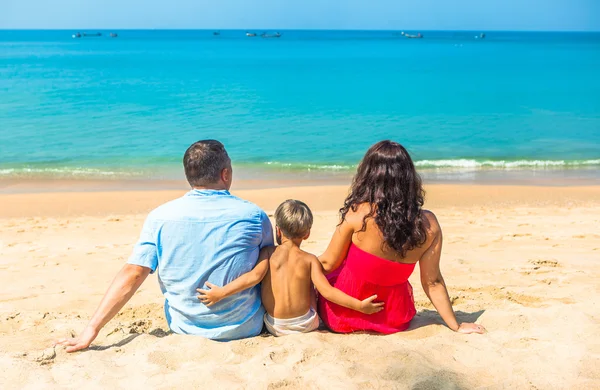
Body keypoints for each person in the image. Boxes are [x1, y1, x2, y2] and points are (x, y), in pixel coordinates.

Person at [56, 140, 274, 352]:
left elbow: (134, 273)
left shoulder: (160, 217)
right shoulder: (253, 215)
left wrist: (92, 329)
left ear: (189, 176)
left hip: (184, 330)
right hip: (243, 328)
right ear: (225, 174)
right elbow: (271, 267)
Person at [317, 140, 486, 335]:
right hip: (394, 319)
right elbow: (432, 282)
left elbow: (328, 263)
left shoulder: (359, 214)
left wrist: (298, 260)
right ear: (409, 177)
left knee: (329, 270)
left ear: (368, 174)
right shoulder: (429, 225)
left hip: (342, 315)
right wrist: (455, 325)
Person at [197, 199, 384, 337]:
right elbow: (327, 291)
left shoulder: (269, 253)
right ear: (307, 234)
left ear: (278, 230)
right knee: (315, 285)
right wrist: (359, 305)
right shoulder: (310, 260)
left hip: (275, 326)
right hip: (306, 324)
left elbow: (252, 278)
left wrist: (220, 293)